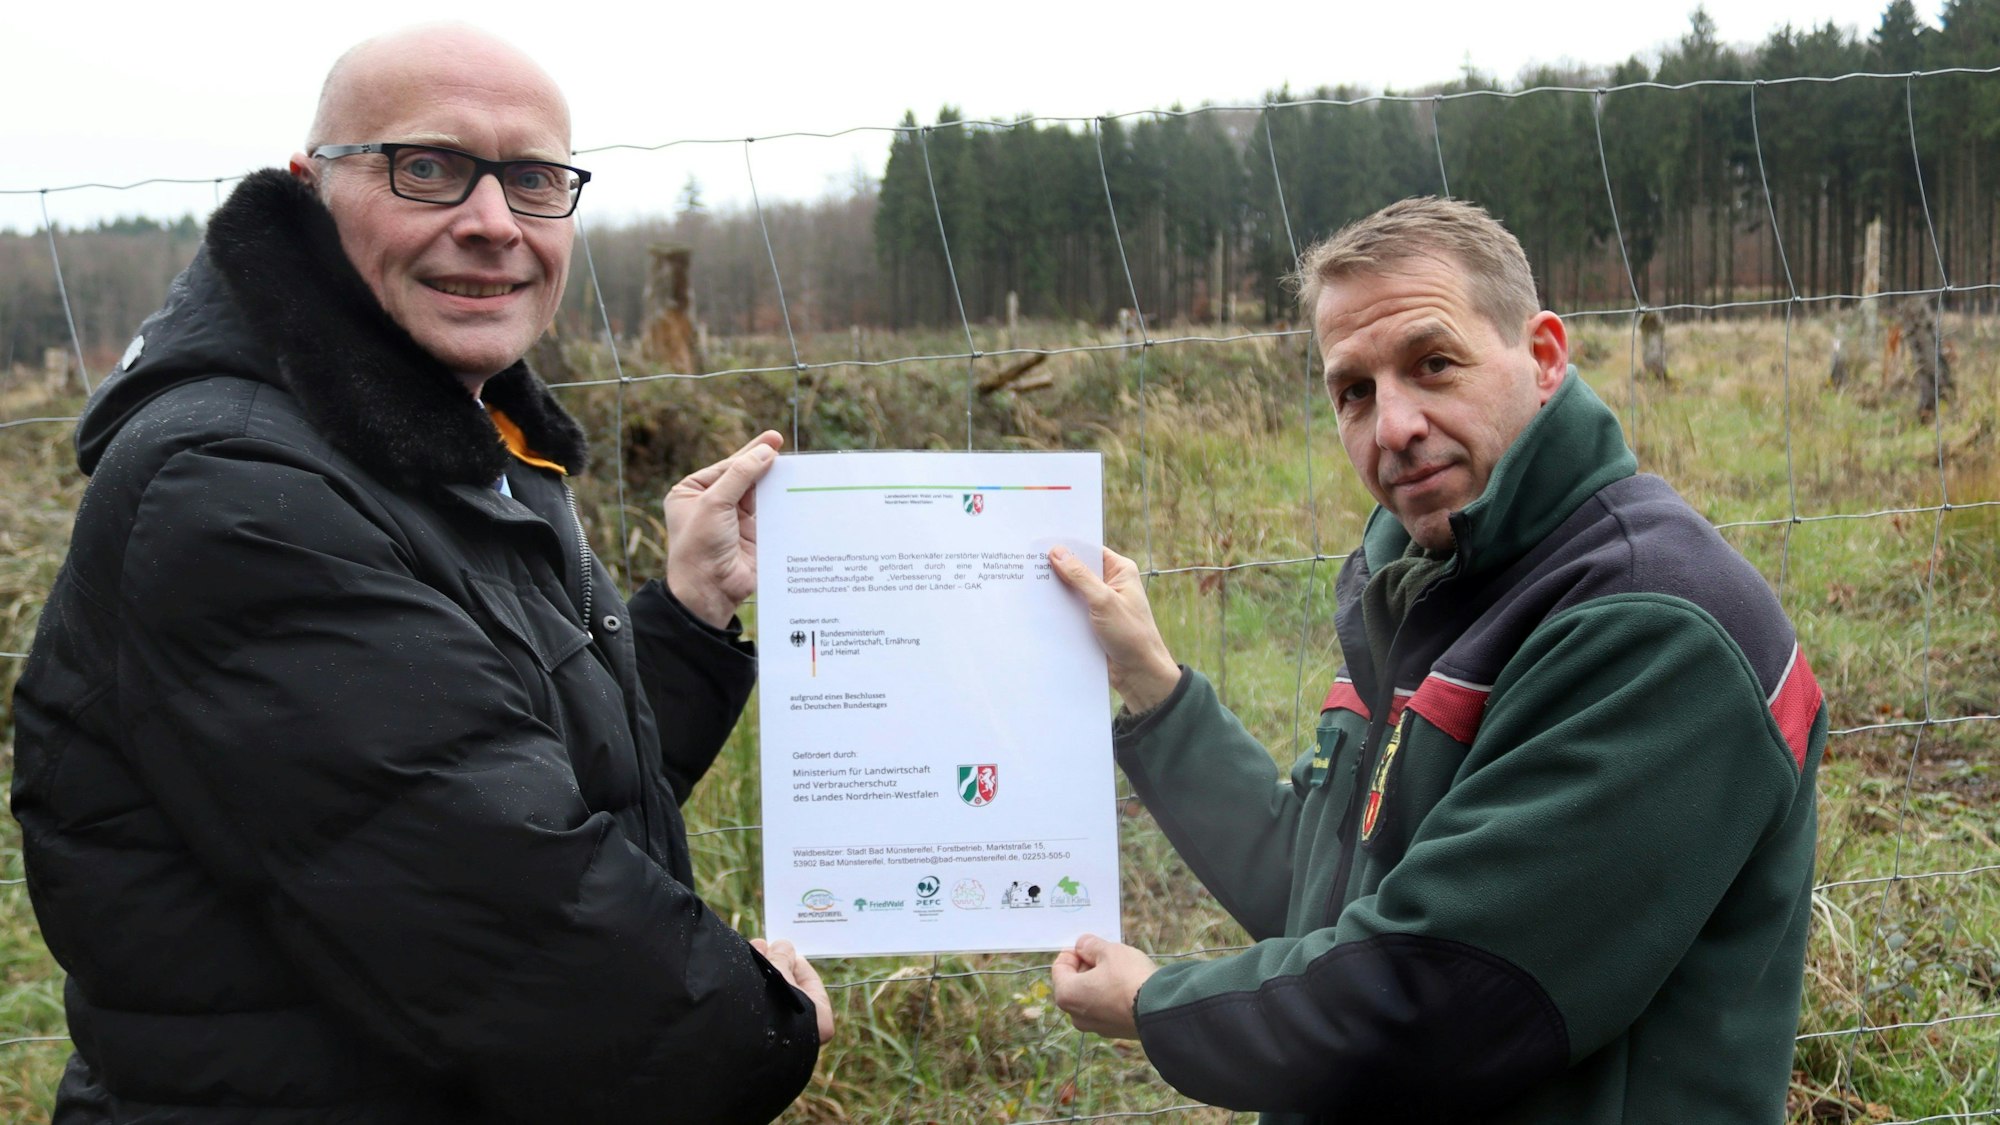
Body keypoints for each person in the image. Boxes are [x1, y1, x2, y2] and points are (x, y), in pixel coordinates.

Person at [11, 24, 828, 1124]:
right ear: (311, 189)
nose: (492, 223)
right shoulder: (240, 491)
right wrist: (755, 1022)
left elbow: (496, 781)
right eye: (429, 168)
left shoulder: (437, 438)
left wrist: (686, 616)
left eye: (534, 179)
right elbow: (503, 918)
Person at [1046, 197, 1826, 1124]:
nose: (1395, 426)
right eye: (1355, 391)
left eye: (1433, 364)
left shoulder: (1654, 625)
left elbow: (1443, 989)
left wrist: (1157, 1005)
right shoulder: (1431, 583)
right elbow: (1321, 884)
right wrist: (1152, 687)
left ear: (1542, 357)